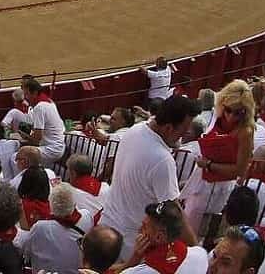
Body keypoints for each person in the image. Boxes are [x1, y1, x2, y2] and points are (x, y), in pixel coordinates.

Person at [98, 95, 196, 259]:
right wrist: (195, 249)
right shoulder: (163, 160)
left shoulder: (136, 129)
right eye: (182, 131)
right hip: (129, 244)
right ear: (169, 128)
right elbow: (174, 212)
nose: (184, 136)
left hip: (106, 227)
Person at [180, 80, 255, 238]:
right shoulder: (217, 115)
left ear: (246, 111)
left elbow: (240, 170)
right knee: (188, 220)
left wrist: (209, 164)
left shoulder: (245, 131)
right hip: (201, 179)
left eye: (238, 112)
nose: (231, 116)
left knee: (200, 231)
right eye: (228, 110)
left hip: (218, 186)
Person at [119, 201, 204, 274]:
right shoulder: (199, 253)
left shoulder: (142, 271)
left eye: (144, 227)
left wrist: (135, 258)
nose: (139, 230)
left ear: (159, 237)